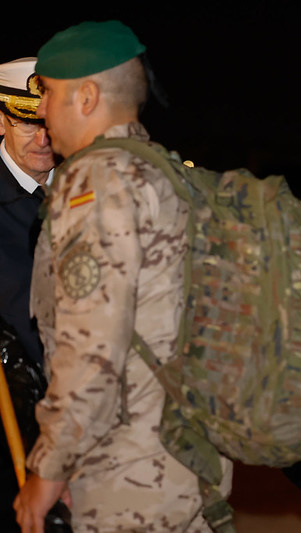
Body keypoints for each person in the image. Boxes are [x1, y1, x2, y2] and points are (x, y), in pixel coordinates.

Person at [12, 20, 232, 533]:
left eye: (48, 92)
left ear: (87, 97)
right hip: (196, 461)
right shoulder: (172, 175)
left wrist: (49, 467)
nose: (41, 109)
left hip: (129, 475)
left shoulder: (95, 184)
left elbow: (92, 347)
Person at [0, 57, 56, 533]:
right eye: (26, 122)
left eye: (50, 123)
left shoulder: (94, 190)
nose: (42, 139)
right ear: (1, 119)